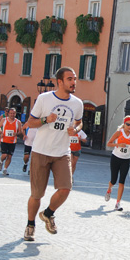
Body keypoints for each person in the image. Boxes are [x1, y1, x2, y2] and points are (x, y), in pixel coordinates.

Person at [23, 67, 83, 242]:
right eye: (70, 79)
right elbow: (30, 123)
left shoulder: (77, 103)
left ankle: (48, 213)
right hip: (41, 151)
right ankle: (30, 225)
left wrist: (76, 130)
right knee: (37, 195)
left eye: (75, 79)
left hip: (62, 152)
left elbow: (79, 123)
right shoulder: (44, 99)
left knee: (66, 188)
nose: (74, 82)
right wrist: (45, 120)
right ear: (60, 82)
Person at [105, 115, 130, 212]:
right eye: (128, 124)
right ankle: (109, 189)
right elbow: (108, 143)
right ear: (124, 124)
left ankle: (117, 203)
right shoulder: (119, 132)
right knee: (114, 180)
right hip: (116, 158)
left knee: (122, 182)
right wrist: (118, 144)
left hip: (126, 159)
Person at [0, 108, 22, 176]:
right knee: (4, 155)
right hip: (4, 140)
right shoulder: (4, 120)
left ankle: (5, 169)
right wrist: (1, 132)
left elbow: (20, 131)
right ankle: (1, 162)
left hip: (12, 141)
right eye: (11, 113)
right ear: (8, 114)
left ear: (15, 114)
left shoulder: (18, 122)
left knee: (9, 156)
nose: (12, 115)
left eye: (13, 113)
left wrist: (16, 133)